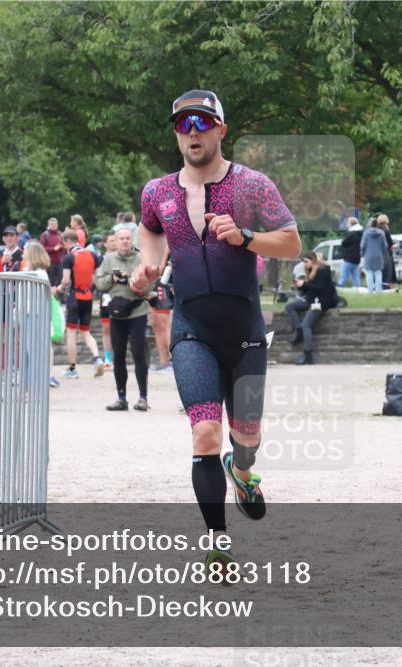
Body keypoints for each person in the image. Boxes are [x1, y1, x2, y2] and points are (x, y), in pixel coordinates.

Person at [130, 89, 301, 571]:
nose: (192, 133)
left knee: (245, 436)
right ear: (176, 133)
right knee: (204, 433)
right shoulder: (157, 191)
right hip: (192, 329)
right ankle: (218, 542)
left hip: (244, 329)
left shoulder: (251, 185)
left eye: (202, 123)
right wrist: (148, 266)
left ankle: (241, 470)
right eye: (183, 124)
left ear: (221, 129)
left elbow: (291, 242)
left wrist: (246, 236)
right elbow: (150, 229)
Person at [96, 227, 152, 411]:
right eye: (122, 239)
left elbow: (149, 285)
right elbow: (99, 283)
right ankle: (121, 398)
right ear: (116, 241)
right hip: (117, 313)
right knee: (118, 355)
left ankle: (143, 398)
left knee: (138, 353)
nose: (125, 241)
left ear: (132, 240)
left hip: (137, 310)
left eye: (128, 238)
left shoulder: (140, 259)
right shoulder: (108, 260)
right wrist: (113, 278)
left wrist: (136, 285)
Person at [57, 229, 105, 379]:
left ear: (68, 242)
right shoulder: (93, 255)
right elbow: (97, 276)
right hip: (88, 296)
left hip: (74, 296)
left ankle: (72, 368)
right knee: (85, 331)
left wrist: (59, 289)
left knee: (71, 332)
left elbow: (65, 281)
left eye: (64, 243)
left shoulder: (68, 257)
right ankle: (97, 358)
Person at [286, 251, 338, 365]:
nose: (305, 264)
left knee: (306, 325)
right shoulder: (311, 271)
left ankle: (307, 355)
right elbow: (311, 289)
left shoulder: (322, 271)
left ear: (313, 261)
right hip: (311, 300)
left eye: (306, 261)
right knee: (290, 307)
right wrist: (300, 286)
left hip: (321, 302)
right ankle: (299, 329)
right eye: (303, 262)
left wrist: (304, 284)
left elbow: (320, 288)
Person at [21, 241, 60, 390]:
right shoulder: (31, 271)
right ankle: (28, 386)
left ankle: (35, 387)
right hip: (28, 314)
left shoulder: (37, 273)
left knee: (34, 352)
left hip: (34, 315)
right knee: (27, 353)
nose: (23, 253)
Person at [148, 254, 174, 373]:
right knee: (156, 324)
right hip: (152, 279)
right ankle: (164, 361)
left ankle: (173, 361)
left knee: (165, 325)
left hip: (165, 279)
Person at [97, 231, 118, 370]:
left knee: (119, 328)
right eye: (111, 240)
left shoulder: (122, 257)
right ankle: (108, 358)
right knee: (106, 329)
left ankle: (118, 357)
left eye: (115, 240)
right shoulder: (100, 258)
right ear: (105, 244)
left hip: (120, 296)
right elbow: (97, 277)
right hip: (106, 296)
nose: (114, 242)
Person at [360, 217, 388, 293]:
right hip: (379, 255)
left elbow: (362, 245)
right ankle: (379, 291)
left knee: (369, 273)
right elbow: (385, 246)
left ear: (370, 224)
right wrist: (382, 253)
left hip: (368, 255)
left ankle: (370, 291)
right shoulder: (382, 233)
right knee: (378, 273)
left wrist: (362, 254)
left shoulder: (366, 233)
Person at [41, 217, 65, 292]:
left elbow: (65, 246)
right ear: (49, 225)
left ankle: (61, 298)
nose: (53, 226)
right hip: (49, 261)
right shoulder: (45, 234)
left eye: (55, 224)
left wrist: (60, 247)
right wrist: (53, 249)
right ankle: (50, 296)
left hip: (60, 261)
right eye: (52, 224)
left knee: (61, 279)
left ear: (57, 225)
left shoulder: (61, 234)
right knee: (50, 280)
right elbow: (41, 248)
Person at [338, 217, 363, 288]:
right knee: (355, 275)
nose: (347, 225)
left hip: (348, 257)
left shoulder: (351, 234)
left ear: (351, 224)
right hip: (357, 257)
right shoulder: (361, 233)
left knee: (343, 275)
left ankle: (339, 288)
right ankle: (357, 288)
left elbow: (343, 243)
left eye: (348, 223)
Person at [379, 214, 397, 288]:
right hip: (387, 253)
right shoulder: (386, 231)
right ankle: (387, 285)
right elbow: (389, 243)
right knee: (388, 271)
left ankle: (381, 285)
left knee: (381, 271)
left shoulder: (377, 229)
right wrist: (394, 245)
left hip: (379, 253)